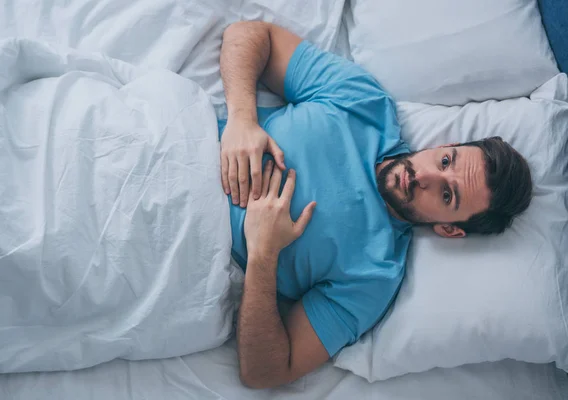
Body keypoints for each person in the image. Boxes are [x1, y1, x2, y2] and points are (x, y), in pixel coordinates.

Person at [217, 21, 533, 389]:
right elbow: (250, 34)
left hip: (183, 248)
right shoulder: (364, 103)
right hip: (176, 139)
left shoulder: (375, 277)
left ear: (450, 229)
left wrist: (262, 256)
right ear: (445, 146)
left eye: (447, 196)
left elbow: (265, 371)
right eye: (446, 161)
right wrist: (242, 118)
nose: (426, 177)